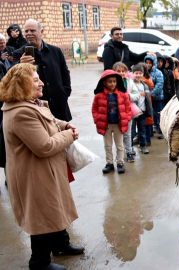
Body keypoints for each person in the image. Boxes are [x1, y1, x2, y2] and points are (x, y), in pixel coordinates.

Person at [0, 63, 83, 270]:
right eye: (36, 80)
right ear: (21, 84)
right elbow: (44, 146)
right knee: (41, 216)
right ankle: (39, 262)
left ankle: (61, 245)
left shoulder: (30, 104)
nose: (42, 82)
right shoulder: (21, 113)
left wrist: (64, 125)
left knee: (54, 208)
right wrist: (68, 135)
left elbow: (50, 122)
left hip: (45, 170)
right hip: (34, 174)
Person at [12, 19, 72, 121]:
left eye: (32, 30)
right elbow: (11, 76)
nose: (29, 33)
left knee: (64, 134)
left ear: (41, 31)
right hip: (35, 106)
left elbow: (64, 73)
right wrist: (20, 65)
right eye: (26, 31)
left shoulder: (55, 51)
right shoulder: (19, 54)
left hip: (58, 104)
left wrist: (65, 91)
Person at [92, 70, 131, 174]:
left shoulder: (123, 95)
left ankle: (120, 163)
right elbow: (94, 108)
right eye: (110, 81)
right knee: (108, 145)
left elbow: (128, 108)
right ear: (104, 82)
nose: (112, 84)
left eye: (114, 81)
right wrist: (96, 119)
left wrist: (126, 118)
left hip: (118, 124)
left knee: (119, 145)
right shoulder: (99, 96)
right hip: (106, 125)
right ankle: (109, 163)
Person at [113, 62, 140, 162]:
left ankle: (129, 151)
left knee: (128, 134)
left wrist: (129, 97)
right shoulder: (112, 81)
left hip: (127, 111)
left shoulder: (129, 82)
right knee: (118, 135)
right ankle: (119, 154)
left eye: (123, 71)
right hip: (115, 112)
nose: (121, 73)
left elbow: (137, 95)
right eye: (118, 71)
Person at [132, 64, 151, 154]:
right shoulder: (130, 84)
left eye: (140, 73)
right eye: (136, 73)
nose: (138, 75)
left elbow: (147, 99)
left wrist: (149, 110)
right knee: (131, 131)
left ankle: (142, 146)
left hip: (142, 111)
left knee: (142, 130)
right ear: (133, 74)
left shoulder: (145, 86)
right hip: (132, 111)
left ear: (143, 74)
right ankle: (130, 148)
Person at [144, 55, 164, 139]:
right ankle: (150, 130)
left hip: (157, 97)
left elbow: (159, 85)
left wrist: (151, 94)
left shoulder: (158, 73)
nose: (148, 65)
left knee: (159, 114)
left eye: (150, 63)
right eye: (147, 63)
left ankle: (161, 130)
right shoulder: (143, 73)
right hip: (147, 99)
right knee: (149, 114)